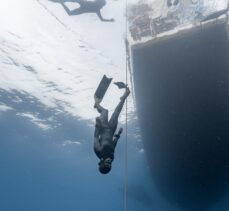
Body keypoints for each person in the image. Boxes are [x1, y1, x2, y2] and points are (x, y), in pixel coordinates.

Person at [94, 87, 130, 174]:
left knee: (105, 111)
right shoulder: (112, 157)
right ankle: (125, 96)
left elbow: (95, 137)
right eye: (110, 166)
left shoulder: (98, 151)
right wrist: (118, 134)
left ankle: (97, 104)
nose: (110, 163)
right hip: (112, 129)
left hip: (103, 127)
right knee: (116, 112)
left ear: (102, 163)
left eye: (107, 165)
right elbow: (114, 145)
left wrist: (97, 125)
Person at [50, 0, 114, 22]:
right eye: (102, 6)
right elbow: (102, 19)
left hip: (83, 3)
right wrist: (109, 20)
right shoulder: (97, 9)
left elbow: (102, 19)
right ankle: (61, 2)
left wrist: (109, 20)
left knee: (70, 10)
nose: (102, 7)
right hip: (83, 7)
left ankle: (60, 2)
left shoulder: (97, 8)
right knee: (70, 13)